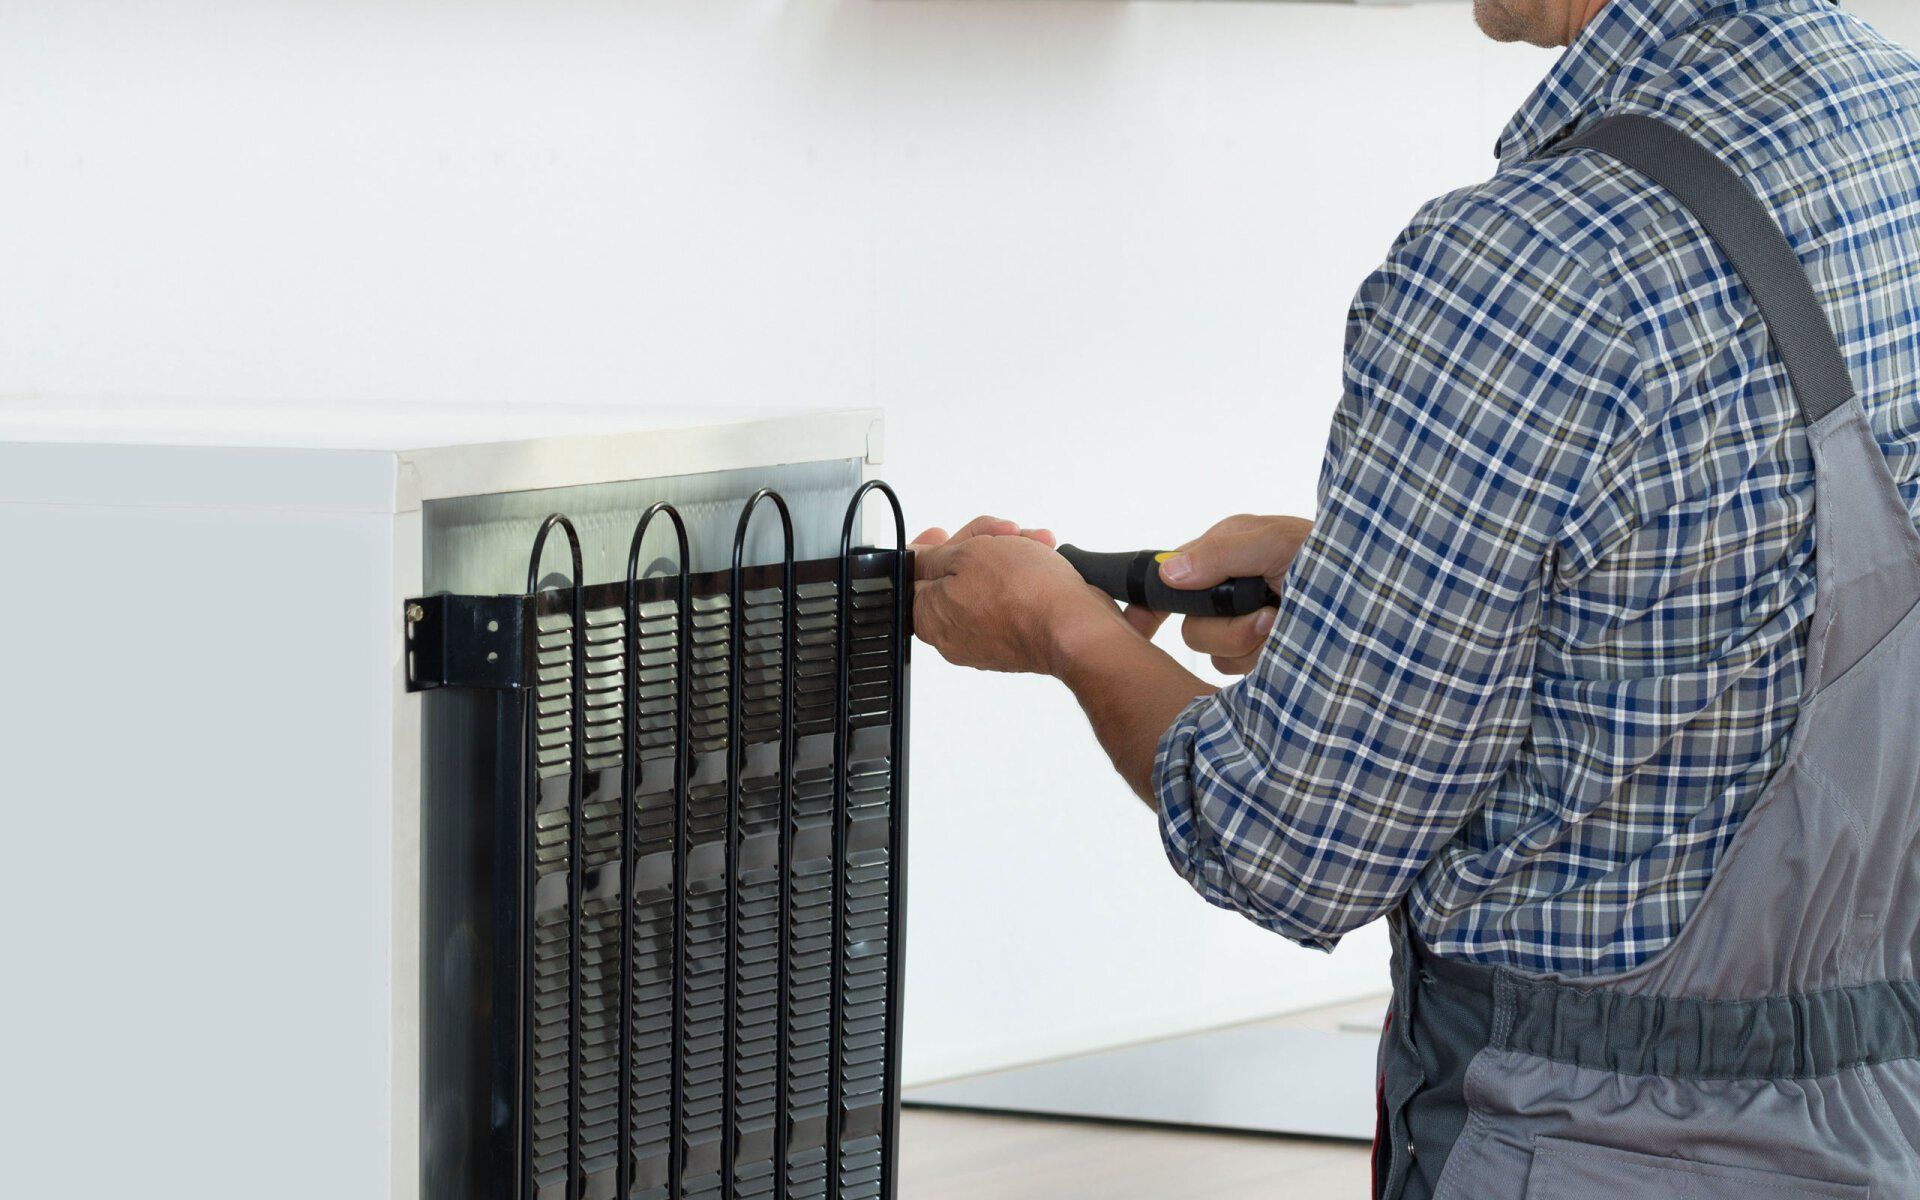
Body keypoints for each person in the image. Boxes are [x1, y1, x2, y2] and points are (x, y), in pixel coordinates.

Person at [910, 1, 1920, 1196]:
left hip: (1582, 1150)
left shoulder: (1534, 264)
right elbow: (1748, 581)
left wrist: (1063, 629)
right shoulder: (1893, 120)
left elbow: (1293, 845)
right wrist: (1382, 587)